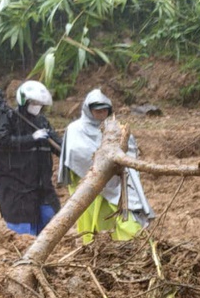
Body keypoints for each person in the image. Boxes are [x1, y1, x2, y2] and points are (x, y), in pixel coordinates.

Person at [59, 89, 152, 243]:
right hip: (87, 181)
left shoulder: (115, 128)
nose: (101, 114)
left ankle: (130, 243)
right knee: (91, 218)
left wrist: (117, 165)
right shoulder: (76, 129)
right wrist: (99, 169)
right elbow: (77, 153)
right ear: (89, 111)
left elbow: (129, 149)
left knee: (125, 211)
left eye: (104, 110)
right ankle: (92, 246)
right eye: (97, 111)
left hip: (116, 179)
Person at [0, 80, 61, 235]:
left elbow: (57, 143)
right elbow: (2, 142)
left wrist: (69, 152)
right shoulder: (9, 118)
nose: (37, 106)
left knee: (52, 221)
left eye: (40, 103)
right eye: (34, 102)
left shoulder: (42, 122)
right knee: (23, 232)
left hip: (42, 184)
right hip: (16, 186)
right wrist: (31, 138)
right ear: (25, 101)